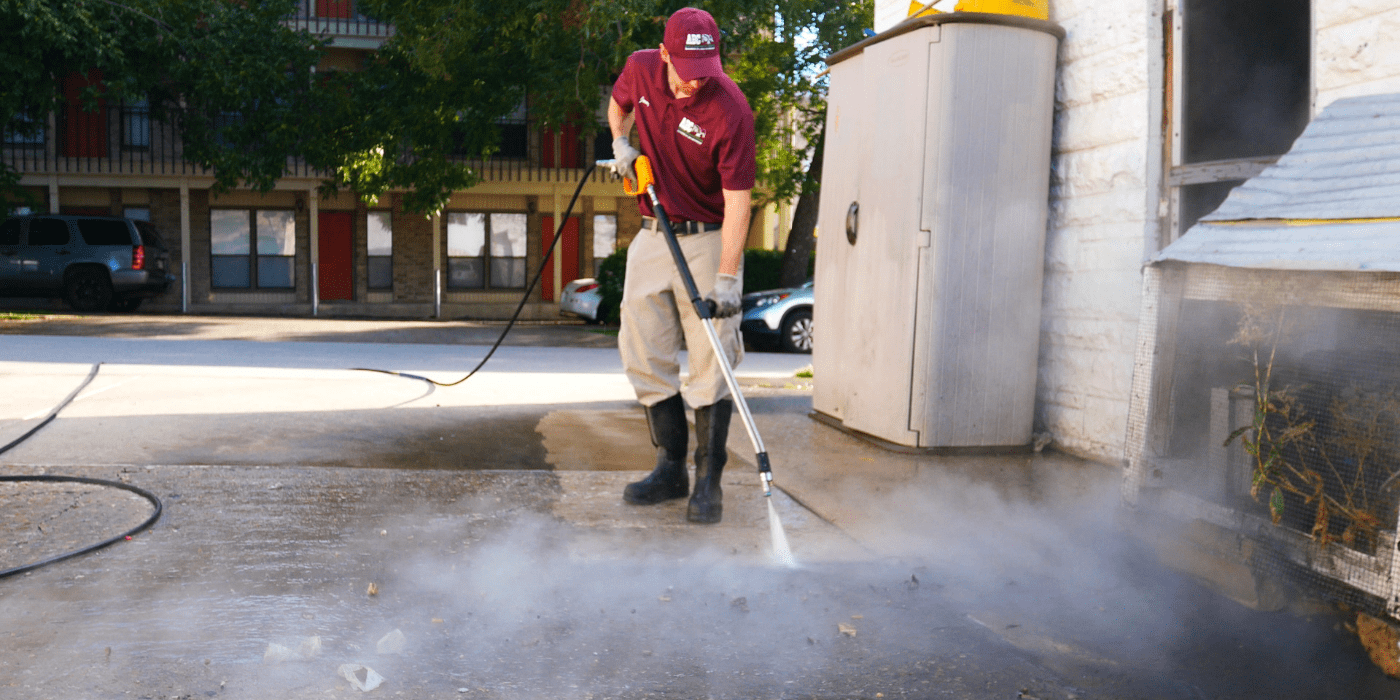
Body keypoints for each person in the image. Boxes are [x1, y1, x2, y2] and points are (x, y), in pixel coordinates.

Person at [606, 7, 756, 524]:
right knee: (642, 350)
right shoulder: (642, 67)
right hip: (653, 233)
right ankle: (670, 469)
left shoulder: (731, 107)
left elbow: (739, 201)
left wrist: (729, 278)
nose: (696, 83)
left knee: (712, 360)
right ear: (665, 54)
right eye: (687, 69)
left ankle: (708, 480)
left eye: (706, 69)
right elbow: (617, 104)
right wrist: (620, 143)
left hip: (709, 237)